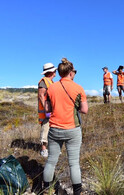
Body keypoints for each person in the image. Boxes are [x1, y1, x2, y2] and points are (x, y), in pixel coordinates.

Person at [43, 58, 88, 195]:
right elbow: (84, 110)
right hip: (73, 129)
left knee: (51, 161)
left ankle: (46, 190)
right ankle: (77, 192)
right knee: (74, 163)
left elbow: (47, 109)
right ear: (70, 72)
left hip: (55, 129)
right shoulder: (78, 88)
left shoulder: (51, 87)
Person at [38, 63, 57, 157]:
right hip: (46, 111)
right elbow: (41, 95)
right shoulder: (43, 81)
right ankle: (43, 150)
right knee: (45, 129)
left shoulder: (51, 82)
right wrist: (46, 109)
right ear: (51, 72)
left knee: (52, 129)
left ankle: (51, 149)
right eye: (54, 70)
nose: (56, 72)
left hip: (51, 109)